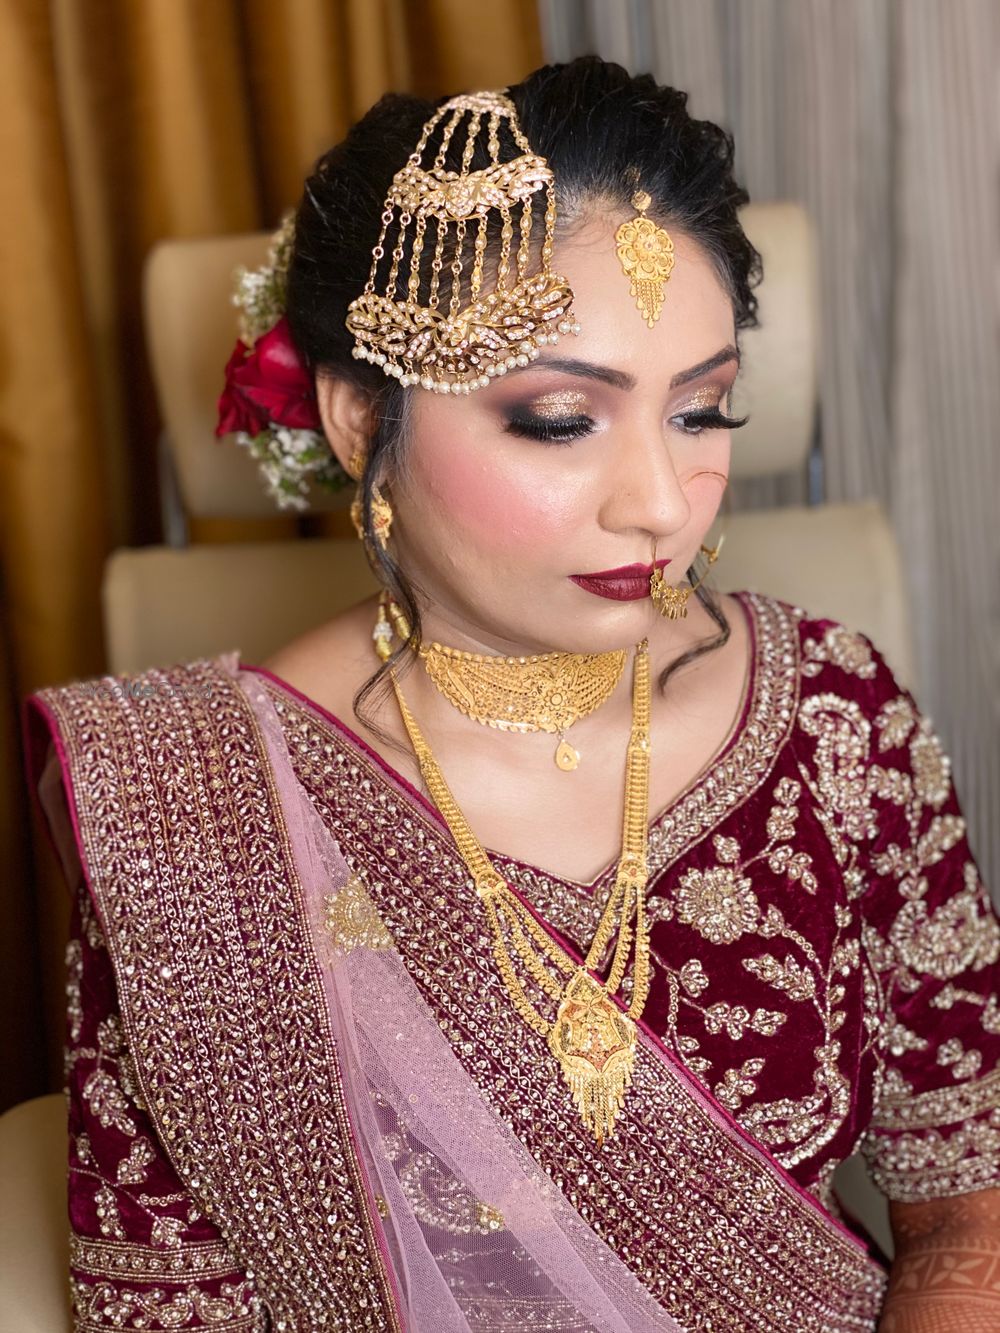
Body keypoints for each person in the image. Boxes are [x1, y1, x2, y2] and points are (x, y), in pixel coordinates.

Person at [23, 57, 1000, 1332]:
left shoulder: (834, 721)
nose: (660, 503)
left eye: (703, 411)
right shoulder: (195, 814)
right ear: (360, 420)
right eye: (558, 418)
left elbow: (966, 1210)